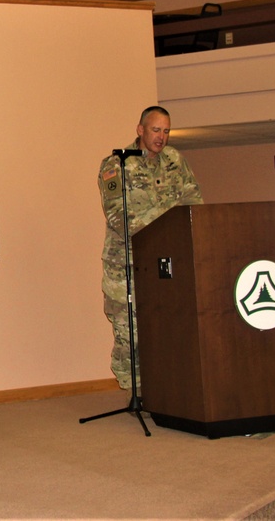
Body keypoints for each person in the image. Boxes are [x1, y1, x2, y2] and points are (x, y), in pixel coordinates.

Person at [98, 105, 203, 392]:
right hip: (126, 266)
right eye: (156, 130)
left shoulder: (174, 161)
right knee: (130, 334)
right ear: (140, 130)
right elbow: (119, 217)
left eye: (166, 131)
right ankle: (136, 389)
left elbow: (193, 204)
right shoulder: (116, 165)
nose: (161, 137)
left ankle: (163, 392)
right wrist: (165, 222)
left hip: (167, 264)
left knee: (167, 328)